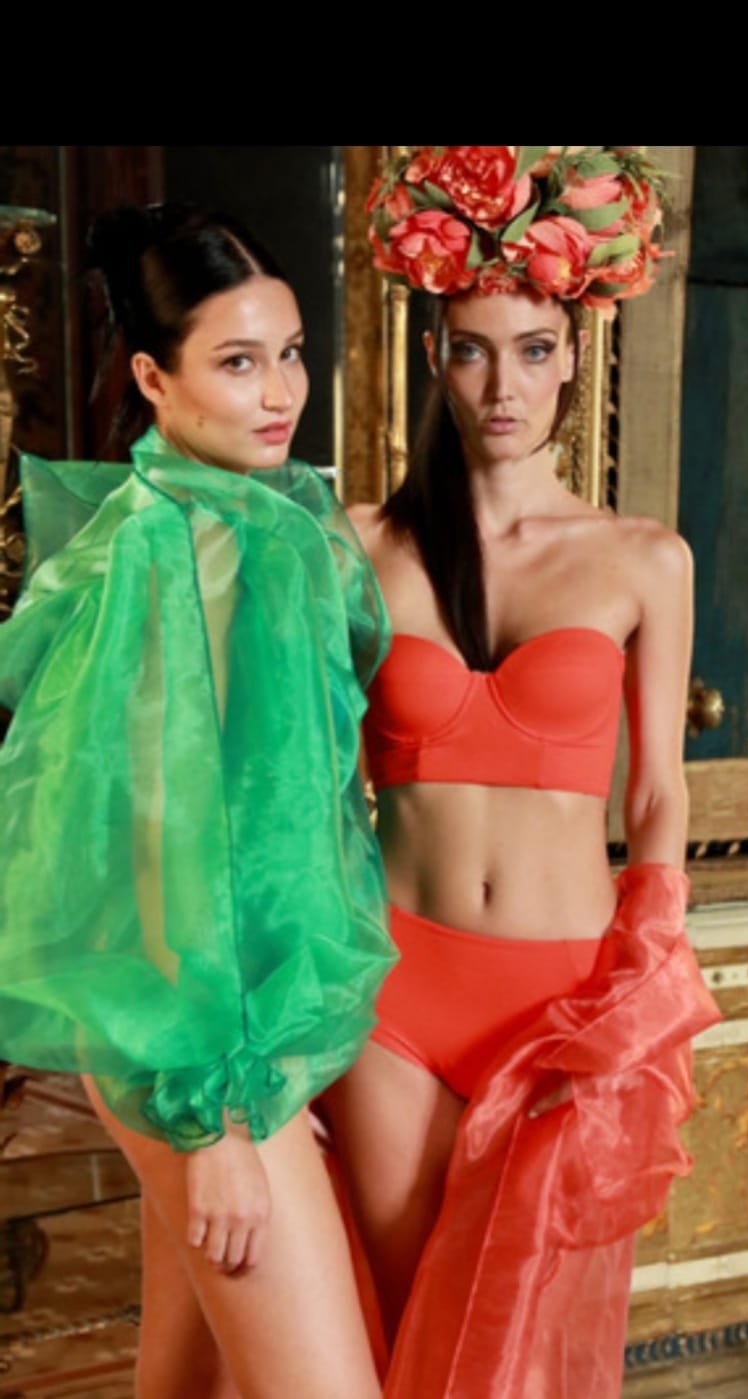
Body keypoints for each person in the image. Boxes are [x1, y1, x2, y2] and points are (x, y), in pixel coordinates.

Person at [321, 146, 722, 1397]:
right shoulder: (355, 546)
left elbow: (655, 792)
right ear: (432, 355)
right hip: (390, 987)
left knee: (516, 1347)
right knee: (404, 1339)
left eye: (533, 350)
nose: (504, 386)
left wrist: (643, 968)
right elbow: (304, 772)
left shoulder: (643, 559)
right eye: (472, 351)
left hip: (560, 998)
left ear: (573, 354)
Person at [0, 202, 396, 1398]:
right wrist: (215, 1117)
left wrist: (261, 1069)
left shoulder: (238, 522)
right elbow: (154, 842)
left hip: (213, 1035)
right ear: (150, 379)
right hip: (185, 1049)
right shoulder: (171, 550)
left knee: (188, 1385)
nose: (279, 393)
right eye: (236, 362)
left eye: (290, 353)